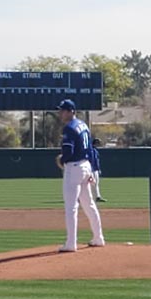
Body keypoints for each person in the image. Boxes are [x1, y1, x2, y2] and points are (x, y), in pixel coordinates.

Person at [55, 99, 105, 252]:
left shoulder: (69, 128)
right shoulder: (83, 125)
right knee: (89, 204)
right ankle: (98, 238)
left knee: (71, 207)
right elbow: (90, 150)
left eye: (63, 110)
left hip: (74, 168)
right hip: (85, 165)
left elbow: (68, 153)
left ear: (71, 111)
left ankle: (71, 243)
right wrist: (90, 171)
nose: (61, 113)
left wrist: (61, 160)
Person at [92, 137, 106, 202]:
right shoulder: (93, 150)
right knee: (93, 184)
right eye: (98, 143)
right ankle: (96, 197)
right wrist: (98, 168)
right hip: (93, 170)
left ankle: (97, 197)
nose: (99, 144)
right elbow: (95, 161)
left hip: (93, 169)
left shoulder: (93, 150)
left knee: (95, 184)